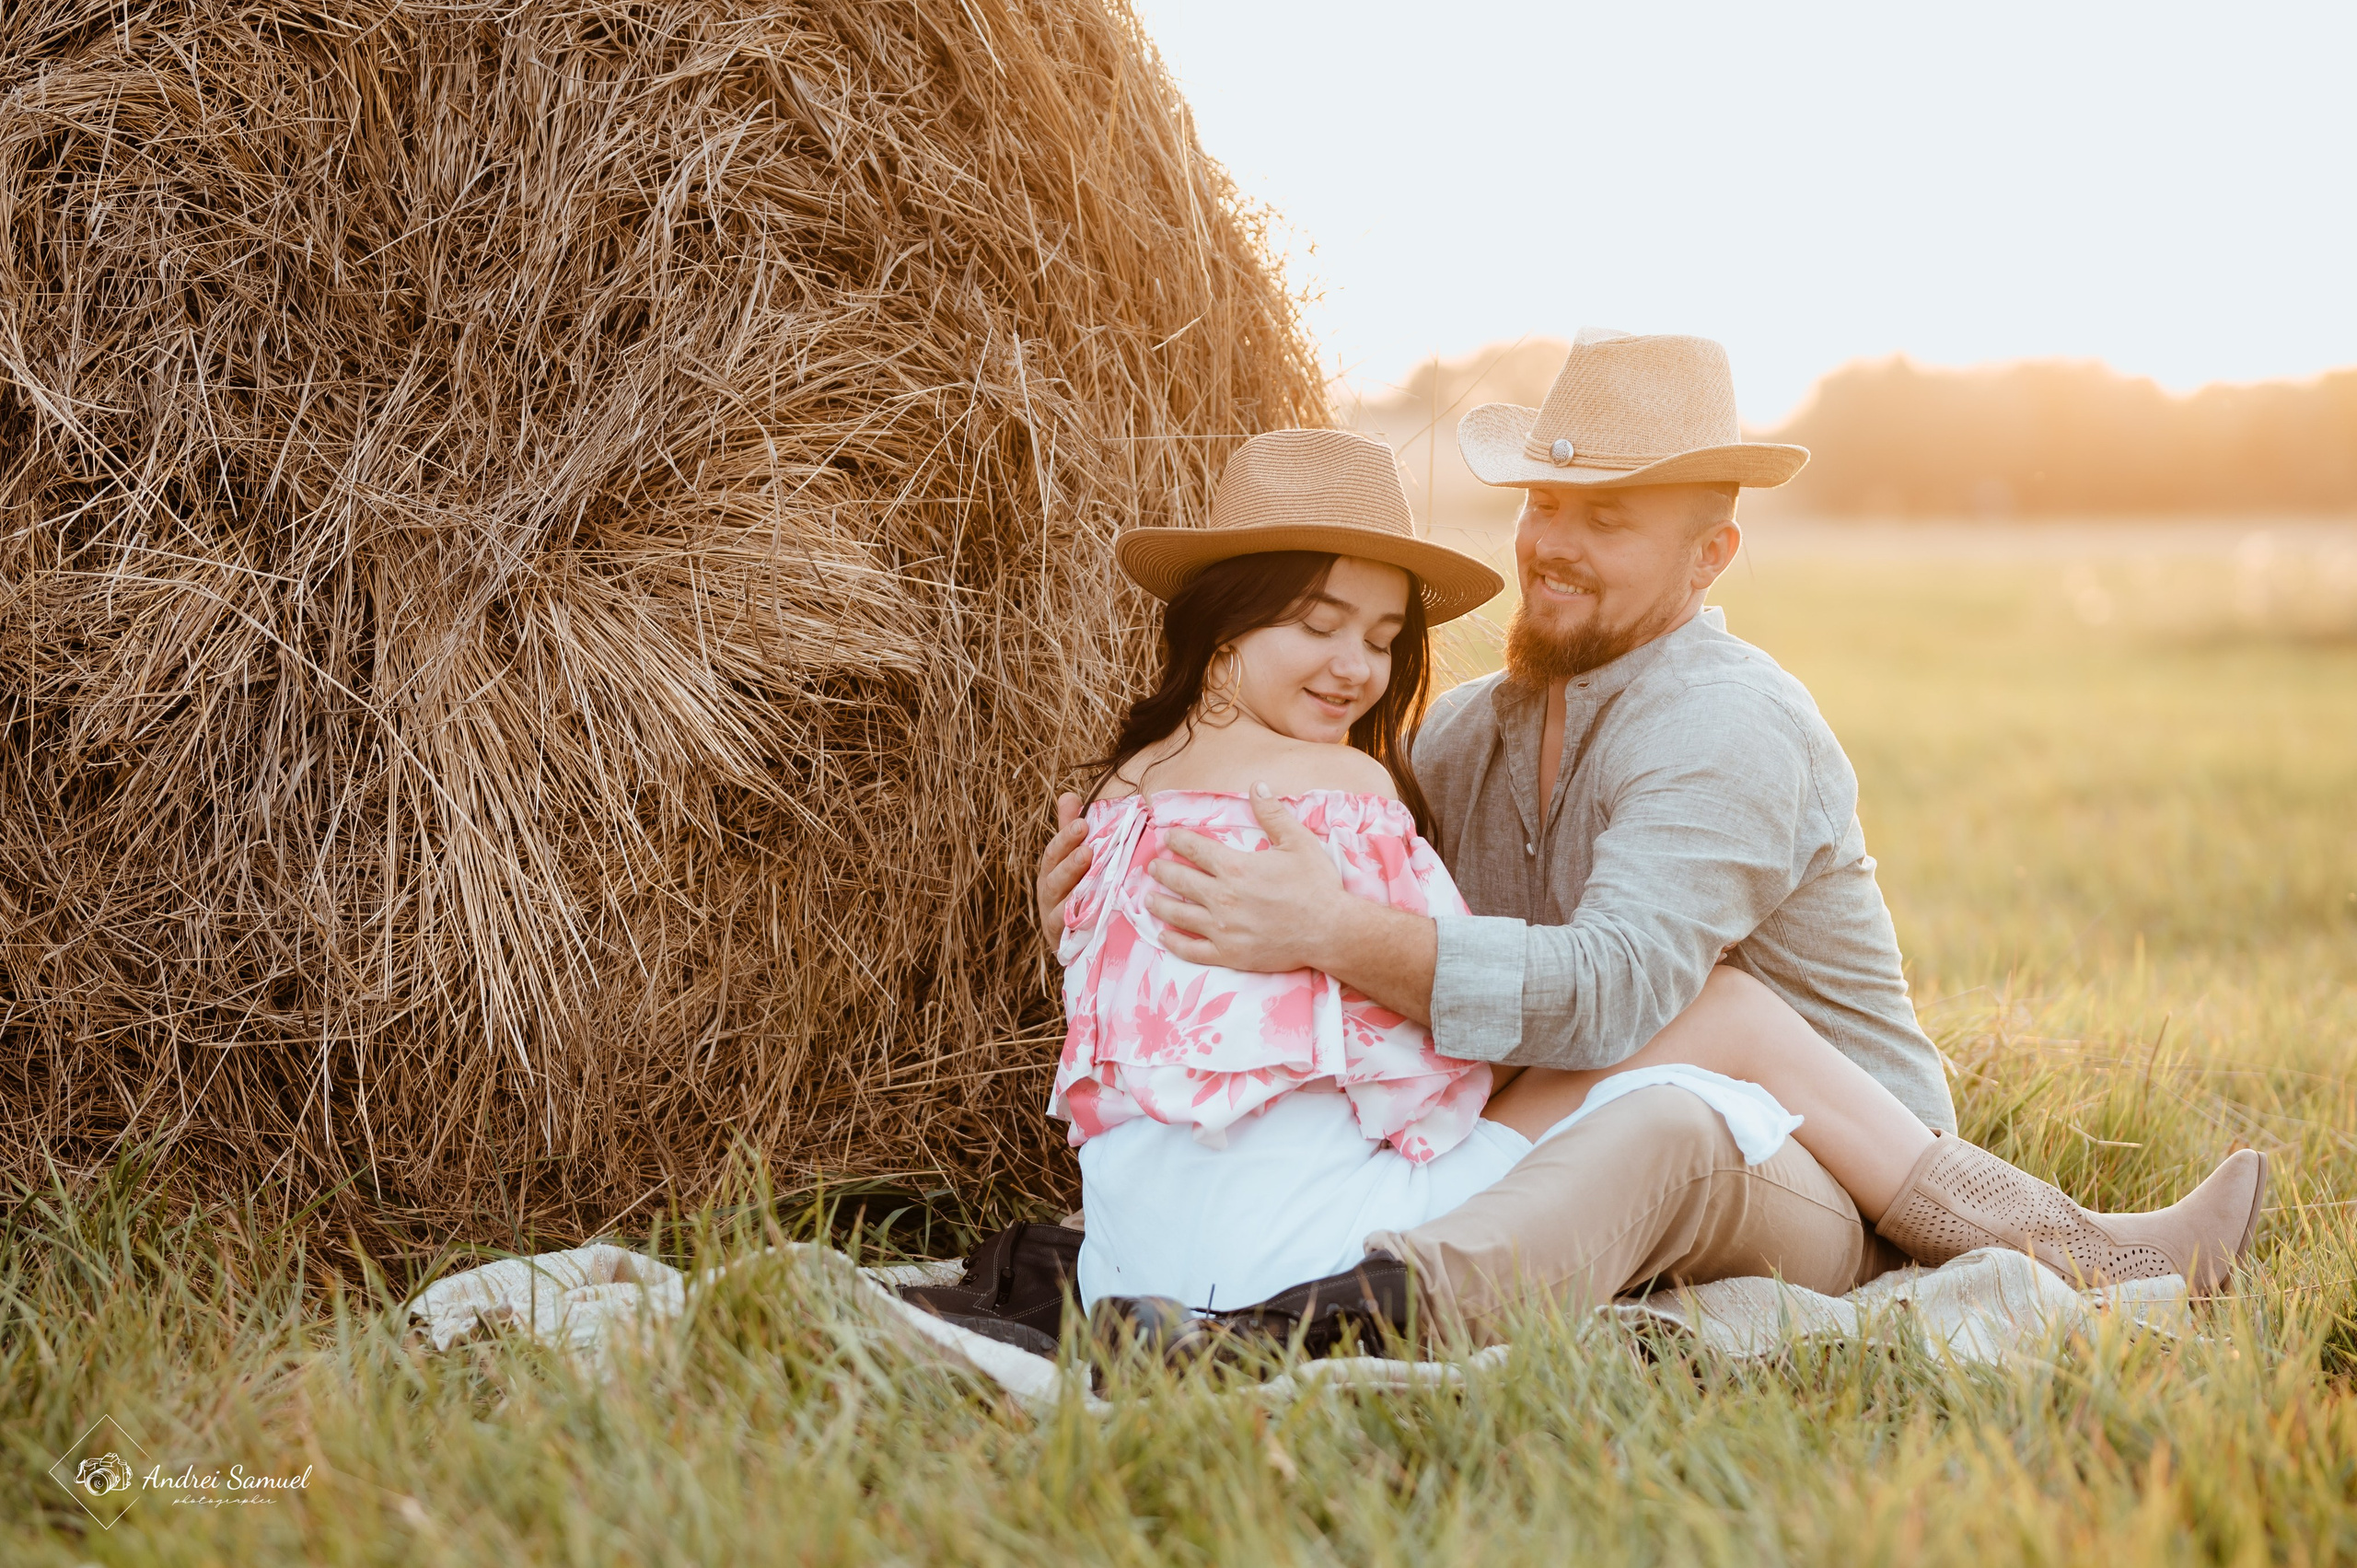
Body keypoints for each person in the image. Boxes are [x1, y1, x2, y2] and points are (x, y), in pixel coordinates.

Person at [1042, 334, 2266, 1346]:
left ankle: (2079, 1251)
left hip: (1816, 1161)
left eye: (1608, 519)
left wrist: (1332, 930)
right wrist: (1117, 899)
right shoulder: (1461, 734)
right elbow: (1318, 889)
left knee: (1682, 1092)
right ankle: (1317, 1298)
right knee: (1637, 1106)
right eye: (1544, 504)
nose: (1553, 544)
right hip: (1572, 1107)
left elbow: (1619, 992)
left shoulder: (1728, 724)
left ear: (1710, 555)